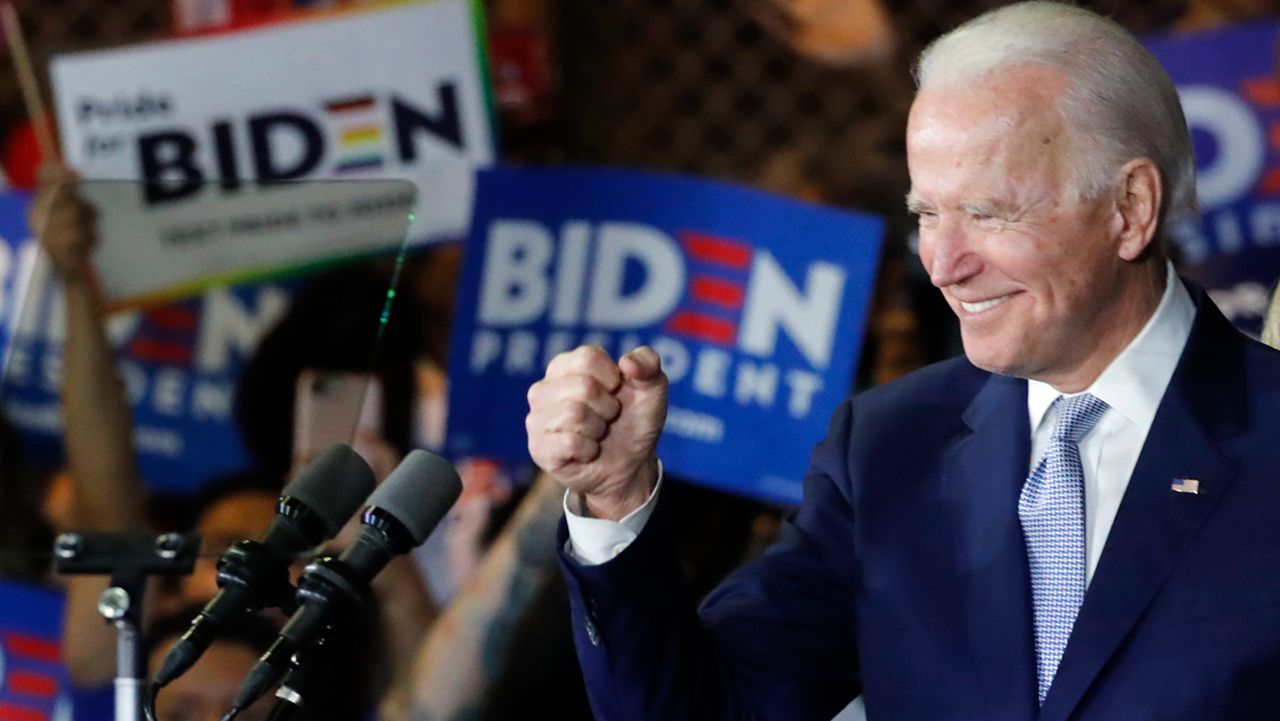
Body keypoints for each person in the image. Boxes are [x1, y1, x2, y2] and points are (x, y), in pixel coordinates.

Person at [525, 2, 1280, 719]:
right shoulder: (889, 449)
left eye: (988, 212)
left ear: (1129, 209)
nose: (943, 262)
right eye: (926, 213)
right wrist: (614, 502)